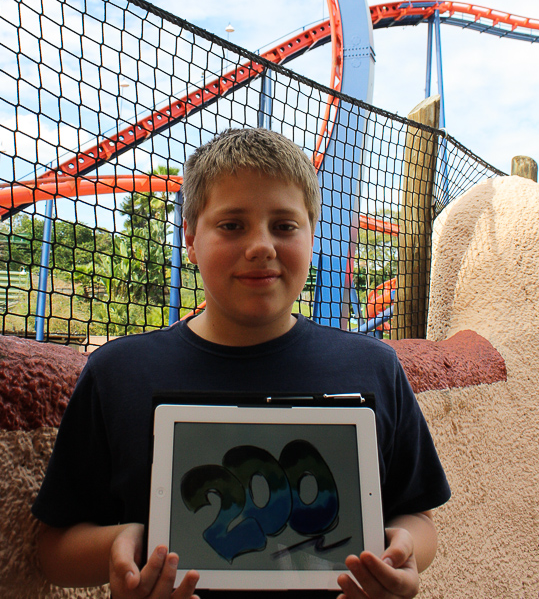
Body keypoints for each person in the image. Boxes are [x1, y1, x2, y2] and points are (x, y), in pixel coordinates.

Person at [32, 127, 450, 599]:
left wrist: (403, 553)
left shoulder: (375, 367)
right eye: (232, 225)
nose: (261, 246)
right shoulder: (117, 373)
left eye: (285, 225)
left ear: (312, 234)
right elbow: (53, 551)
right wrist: (120, 548)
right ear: (191, 238)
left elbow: (416, 516)